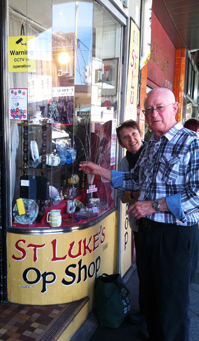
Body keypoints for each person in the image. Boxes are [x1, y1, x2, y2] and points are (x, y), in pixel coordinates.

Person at [79, 87, 199, 341]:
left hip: (175, 237)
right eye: (149, 110)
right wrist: (99, 170)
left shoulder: (192, 143)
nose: (154, 114)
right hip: (147, 234)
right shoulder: (153, 145)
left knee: (172, 307)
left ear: (175, 108)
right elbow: (135, 178)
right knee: (151, 302)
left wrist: (154, 205)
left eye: (160, 108)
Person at [116, 120, 147, 326]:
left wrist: (137, 195)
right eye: (125, 137)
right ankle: (145, 313)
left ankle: (157, 316)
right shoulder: (122, 164)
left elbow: (152, 193)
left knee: (159, 271)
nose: (131, 139)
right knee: (144, 269)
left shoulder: (152, 154)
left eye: (134, 134)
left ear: (140, 133)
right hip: (138, 223)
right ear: (121, 143)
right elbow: (121, 196)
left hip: (162, 224)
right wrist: (140, 195)